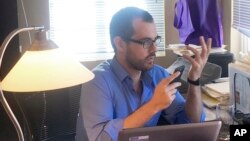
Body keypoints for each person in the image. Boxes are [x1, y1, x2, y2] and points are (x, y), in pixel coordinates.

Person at [76, 6, 211, 141]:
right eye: (146, 42)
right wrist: (154, 105)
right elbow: (101, 138)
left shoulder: (158, 75)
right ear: (120, 44)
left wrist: (194, 81)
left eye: (155, 40)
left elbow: (190, 122)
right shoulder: (97, 81)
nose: (154, 49)